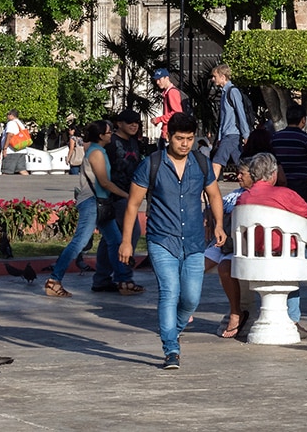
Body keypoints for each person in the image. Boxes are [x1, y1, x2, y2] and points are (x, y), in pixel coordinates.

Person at [214, 151, 307, 338]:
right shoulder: (284, 194)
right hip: (284, 254)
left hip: (255, 256)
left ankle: (293, 319)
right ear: (273, 174)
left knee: (290, 260)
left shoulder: (243, 198)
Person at [120, 113, 226, 370]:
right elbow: (133, 204)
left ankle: (174, 329)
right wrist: (126, 241)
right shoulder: (151, 164)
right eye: (180, 138)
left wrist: (219, 224)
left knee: (191, 298)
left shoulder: (201, 163)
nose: (185, 144)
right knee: (169, 292)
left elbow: (213, 195)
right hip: (161, 239)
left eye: (190, 139)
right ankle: (171, 348)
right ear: (168, 136)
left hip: (193, 241)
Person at [46, 120, 111, 298]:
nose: (110, 135)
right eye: (108, 132)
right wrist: (128, 195)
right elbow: (104, 182)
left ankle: (121, 279)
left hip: (100, 201)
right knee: (80, 242)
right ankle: (54, 279)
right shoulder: (95, 152)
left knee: (115, 240)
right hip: (92, 201)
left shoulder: (98, 150)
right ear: (100, 135)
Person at [93, 110, 146, 295]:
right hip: (115, 195)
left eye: (137, 122)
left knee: (109, 240)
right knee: (130, 234)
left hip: (129, 193)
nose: (134, 125)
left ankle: (101, 278)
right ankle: (123, 278)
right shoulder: (111, 143)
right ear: (119, 123)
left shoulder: (133, 142)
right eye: (130, 122)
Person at [269, 104, 307, 206]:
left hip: (279, 185)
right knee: (305, 215)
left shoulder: (275, 138)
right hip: (301, 186)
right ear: (303, 120)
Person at [211, 64, 250, 177]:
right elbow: (223, 118)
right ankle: (254, 187)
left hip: (232, 134)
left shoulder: (233, 91)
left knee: (216, 162)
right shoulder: (224, 93)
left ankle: (209, 192)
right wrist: (219, 136)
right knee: (242, 165)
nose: (213, 79)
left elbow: (240, 113)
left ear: (223, 77)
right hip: (227, 134)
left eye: (215, 76)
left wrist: (246, 134)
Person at [151, 69, 185, 145]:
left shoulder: (172, 92)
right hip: (168, 132)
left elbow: (177, 113)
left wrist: (159, 119)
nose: (157, 82)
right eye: (156, 80)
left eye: (159, 79)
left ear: (167, 78)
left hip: (169, 133)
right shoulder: (168, 92)